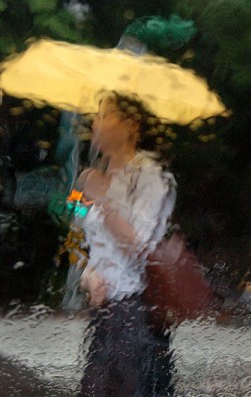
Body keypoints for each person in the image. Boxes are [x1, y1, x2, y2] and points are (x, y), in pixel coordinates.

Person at [75, 92, 177, 396]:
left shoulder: (150, 176)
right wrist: (89, 277)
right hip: (106, 317)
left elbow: (142, 248)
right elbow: (84, 244)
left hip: (139, 317)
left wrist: (104, 197)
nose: (94, 122)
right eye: (95, 115)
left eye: (105, 115)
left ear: (130, 125)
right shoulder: (96, 177)